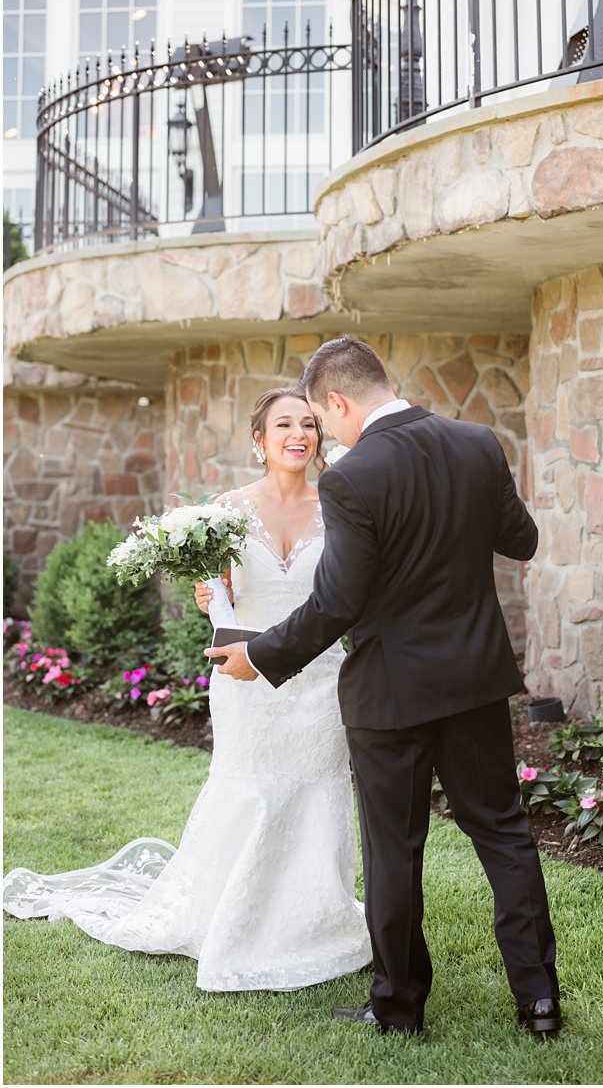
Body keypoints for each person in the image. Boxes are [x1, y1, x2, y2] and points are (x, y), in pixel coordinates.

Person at [206, 336, 561, 1038]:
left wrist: (260, 656)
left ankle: (399, 1007)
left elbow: (337, 602)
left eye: (320, 416)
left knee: (395, 848)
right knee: (505, 834)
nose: (323, 432)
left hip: (390, 695)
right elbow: (522, 539)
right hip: (474, 681)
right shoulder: (476, 443)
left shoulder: (351, 476)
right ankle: (541, 1000)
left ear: (337, 400)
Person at [3, 389, 372, 993]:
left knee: (313, 789)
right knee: (248, 786)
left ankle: (312, 917)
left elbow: (351, 595)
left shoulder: (341, 508)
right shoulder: (225, 512)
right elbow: (217, 595)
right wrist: (211, 596)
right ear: (259, 440)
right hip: (241, 678)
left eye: (309, 423)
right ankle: (225, 909)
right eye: (283, 424)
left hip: (319, 680)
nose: (298, 434)